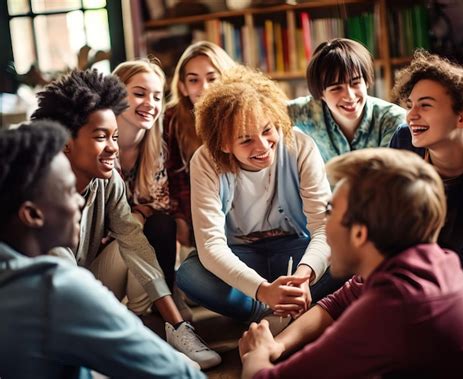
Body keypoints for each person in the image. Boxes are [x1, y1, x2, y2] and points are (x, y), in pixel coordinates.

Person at [30, 69, 221, 369]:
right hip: (46, 308)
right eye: (100, 137)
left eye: (114, 137)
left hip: (88, 285)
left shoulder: (109, 181)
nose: (113, 148)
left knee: (133, 241)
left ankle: (161, 332)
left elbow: (135, 245)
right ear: (66, 141)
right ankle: (130, 340)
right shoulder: (41, 191)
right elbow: (65, 280)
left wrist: (178, 325)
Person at [239, 148, 463, 378]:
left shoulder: (390, 305)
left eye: (330, 212)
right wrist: (277, 345)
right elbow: (337, 302)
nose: (324, 224)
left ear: (360, 234)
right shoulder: (430, 260)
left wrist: (256, 354)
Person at [0, 121, 204, 379]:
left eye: (114, 136)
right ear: (31, 214)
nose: (78, 200)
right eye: (66, 191)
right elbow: (184, 375)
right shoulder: (56, 288)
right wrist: (256, 363)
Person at [176, 65, 340, 325]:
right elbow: (210, 246)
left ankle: (285, 304)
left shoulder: (300, 145)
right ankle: (269, 312)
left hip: (295, 249)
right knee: (189, 275)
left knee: (346, 258)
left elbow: (324, 228)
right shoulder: (205, 161)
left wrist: (304, 275)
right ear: (224, 144)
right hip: (239, 252)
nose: (263, 147)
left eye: (267, 130)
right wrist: (263, 290)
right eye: (246, 140)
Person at [390, 50, 463, 279]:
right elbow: (388, 222)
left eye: (425, 106)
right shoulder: (404, 141)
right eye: (410, 105)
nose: (411, 116)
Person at [163, 41, 236, 250]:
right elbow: (173, 175)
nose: (204, 88)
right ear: (183, 87)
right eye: (194, 80)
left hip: (241, 217)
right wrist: (180, 218)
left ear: (227, 79)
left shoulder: (242, 115)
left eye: (212, 78)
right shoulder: (172, 119)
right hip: (196, 215)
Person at [112, 58, 177, 293]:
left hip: (137, 231)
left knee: (162, 224)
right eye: (140, 93)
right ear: (115, 95)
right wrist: (136, 216)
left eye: (157, 97)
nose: (150, 103)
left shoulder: (155, 148)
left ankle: (166, 298)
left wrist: (138, 215)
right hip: (107, 242)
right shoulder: (100, 145)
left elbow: (161, 205)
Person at [288, 38, 406, 162]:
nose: (350, 96)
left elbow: (392, 175)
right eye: (336, 88)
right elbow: (270, 112)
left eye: (355, 83)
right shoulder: (307, 111)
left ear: (366, 81)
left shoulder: (393, 120)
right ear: (321, 94)